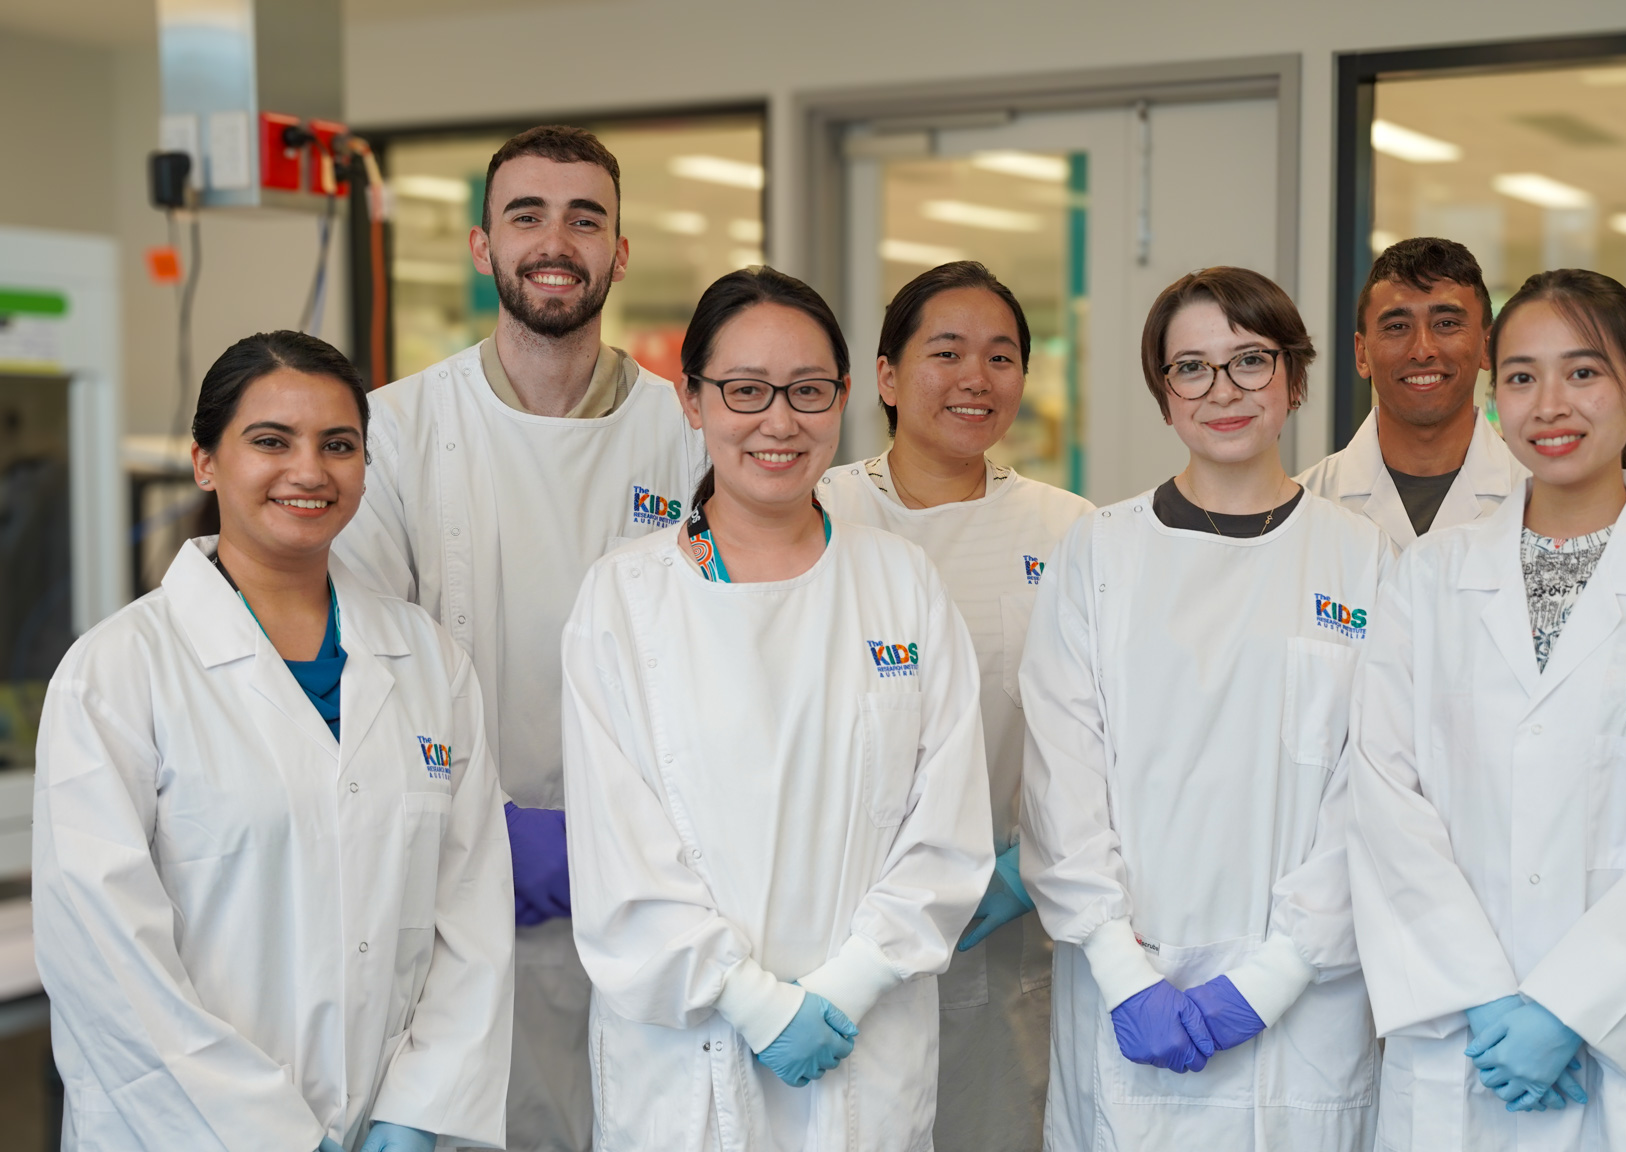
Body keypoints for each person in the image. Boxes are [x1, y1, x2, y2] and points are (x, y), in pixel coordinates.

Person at [34, 332, 513, 1152]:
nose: (309, 470)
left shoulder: (429, 662)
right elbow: (105, 957)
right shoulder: (116, 672)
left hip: (387, 1121)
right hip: (189, 1132)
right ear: (205, 462)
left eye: (339, 445)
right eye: (271, 441)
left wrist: (420, 1108)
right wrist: (269, 1134)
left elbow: (472, 910)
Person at [333, 124, 706, 1151]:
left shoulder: (687, 435)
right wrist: (480, 830)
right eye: (526, 216)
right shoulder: (396, 431)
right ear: (481, 246)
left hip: (656, 886)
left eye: (585, 220)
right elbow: (364, 668)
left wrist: (636, 839)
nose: (555, 242)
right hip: (452, 885)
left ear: (619, 253)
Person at [562, 266, 994, 1151]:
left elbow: (947, 828)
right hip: (688, 1061)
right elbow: (620, 853)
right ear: (692, 400)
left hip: (864, 1039)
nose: (780, 421)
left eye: (807, 390)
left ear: (844, 396)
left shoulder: (901, 583)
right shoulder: (624, 599)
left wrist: (850, 985)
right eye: (745, 390)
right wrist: (754, 1001)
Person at [1349, 269, 1626, 1150]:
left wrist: (1568, 1010)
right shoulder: (1429, 577)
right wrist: (1485, 996)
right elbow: (1385, 800)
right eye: (1521, 376)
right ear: (1494, 395)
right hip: (1463, 1039)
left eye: (1583, 372)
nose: (1550, 405)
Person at [1020, 266, 1390, 1150]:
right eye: (1191, 368)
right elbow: (1062, 781)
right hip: (1127, 983)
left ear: (1294, 377)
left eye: (1250, 360)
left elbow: (1376, 789)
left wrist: (1274, 976)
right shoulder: (1099, 552)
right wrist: (1122, 972)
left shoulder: (1364, 559)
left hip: (1305, 1007)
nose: (1223, 390)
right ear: (1163, 394)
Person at [815, 261, 1093, 1151]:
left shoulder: (1070, 532)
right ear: (887, 377)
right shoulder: (819, 509)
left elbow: (1103, 738)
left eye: (1001, 357)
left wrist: (1025, 867)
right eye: (946, 352)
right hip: (833, 925)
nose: (976, 377)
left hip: (1001, 933)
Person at [1298, 237, 1525, 548]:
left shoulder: (1537, 499)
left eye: (1446, 323)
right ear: (1362, 354)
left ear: (1487, 347)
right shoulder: (1304, 507)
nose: (1422, 350)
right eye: (1397, 327)